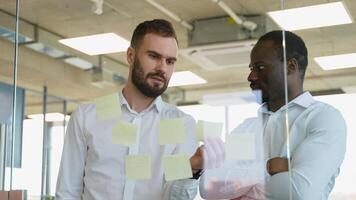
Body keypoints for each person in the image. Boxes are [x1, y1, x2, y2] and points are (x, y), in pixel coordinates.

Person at [55, 19, 205, 200]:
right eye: (154, 56)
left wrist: (192, 169)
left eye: (170, 61)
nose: (162, 68)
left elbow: (175, 197)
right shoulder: (87, 117)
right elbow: (67, 192)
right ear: (131, 56)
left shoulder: (182, 125)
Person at [200, 30, 347, 200]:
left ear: (291, 67)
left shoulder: (323, 118)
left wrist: (240, 189)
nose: (251, 76)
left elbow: (299, 192)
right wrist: (266, 168)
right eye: (251, 68)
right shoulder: (247, 128)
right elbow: (208, 186)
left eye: (260, 67)